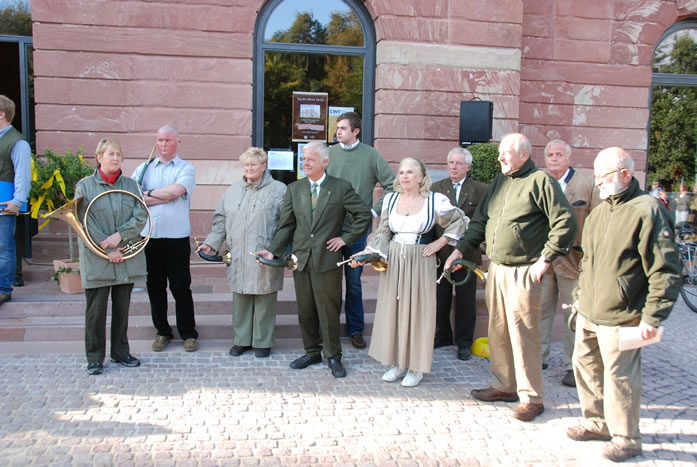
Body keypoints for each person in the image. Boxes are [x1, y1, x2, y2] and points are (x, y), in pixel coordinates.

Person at [444, 133, 577, 421]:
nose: (500, 157)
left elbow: (565, 222)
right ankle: (505, 386)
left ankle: (532, 398)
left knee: (523, 335)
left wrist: (545, 259)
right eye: (500, 152)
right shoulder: (500, 182)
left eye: (506, 152)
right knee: (498, 331)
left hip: (524, 270)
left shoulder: (541, 181)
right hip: (497, 268)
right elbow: (480, 221)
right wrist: (460, 250)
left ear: (524, 155)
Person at [567, 147, 680, 462]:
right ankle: (597, 423)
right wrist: (579, 298)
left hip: (622, 314)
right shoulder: (599, 212)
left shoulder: (648, 210)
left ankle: (627, 438)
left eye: (603, 177)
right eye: (596, 176)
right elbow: (587, 262)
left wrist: (652, 317)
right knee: (586, 368)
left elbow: (665, 270)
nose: (598, 183)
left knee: (621, 379)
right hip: (589, 311)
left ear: (626, 174)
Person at [256, 142, 371, 378]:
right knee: (305, 309)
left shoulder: (340, 187)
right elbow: (286, 225)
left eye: (310, 159)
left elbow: (363, 215)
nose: (305, 163)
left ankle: (333, 356)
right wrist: (272, 251)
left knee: (328, 310)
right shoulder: (295, 188)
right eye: (303, 159)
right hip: (300, 259)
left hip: (327, 259)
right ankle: (312, 352)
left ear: (324, 162)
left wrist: (345, 239)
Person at [353, 157, 467, 387]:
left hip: (421, 258)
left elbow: (461, 221)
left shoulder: (435, 200)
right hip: (395, 258)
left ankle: (416, 367)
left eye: (410, 172)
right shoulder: (391, 199)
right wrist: (368, 252)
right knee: (394, 310)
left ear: (421, 177)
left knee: (418, 311)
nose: (404, 176)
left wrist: (440, 242)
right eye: (401, 172)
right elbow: (383, 232)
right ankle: (398, 363)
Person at [199, 147, 286, 358]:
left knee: (264, 297)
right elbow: (220, 221)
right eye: (246, 164)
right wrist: (211, 243)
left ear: (264, 165)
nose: (249, 168)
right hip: (238, 253)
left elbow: (287, 225)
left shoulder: (279, 190)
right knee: (241, 298)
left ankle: (263, 342)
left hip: (264, 253)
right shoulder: (232, 190)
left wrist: (275, 250)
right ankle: (241, 340)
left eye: (253, 164)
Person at [75, 138, 147, 375]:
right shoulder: (85, 186)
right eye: (110, 154)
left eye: (118, 154)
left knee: (122, 309)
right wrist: (108, 248)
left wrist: (120, 237)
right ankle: (94, 357)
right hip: (98, 257)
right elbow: (84, 220)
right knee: (95, 312)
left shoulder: (131, 185)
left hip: (125, 255)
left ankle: (120, 352)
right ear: (99, 158)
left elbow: (140, 215)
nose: (115, 158)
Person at [326, 112, 395, 349]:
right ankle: (329, 328)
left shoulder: (370, 155)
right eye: (337, 128)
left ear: (356, 131)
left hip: (356, 230)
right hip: (330, 229)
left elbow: (392, 185)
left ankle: (355, 329)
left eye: (343, 128)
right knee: (330, 282)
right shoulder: (329, 154)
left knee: (354, 282)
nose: (338, 132)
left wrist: (374, 211)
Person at [132, 125, 199, 352]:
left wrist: (149, 193)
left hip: (176, 237)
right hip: (150, 237)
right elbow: (133, 197)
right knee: (155, 287)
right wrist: (163, 196)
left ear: (177, 142)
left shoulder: (186, 168)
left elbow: (174, 192)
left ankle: (188, 333)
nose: (163, 144)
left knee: (181, 287)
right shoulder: (143, 169)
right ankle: (162, 332)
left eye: (168, 140)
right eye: (160, 140)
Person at [540, 139, 600, 387]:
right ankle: (539, 357)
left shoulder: (587, 184)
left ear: (569, 158)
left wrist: (590, 256)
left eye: (558, 154)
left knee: (574, 315)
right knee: (540, 310)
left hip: (575, 260)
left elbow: (598, 223)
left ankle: (573, 365)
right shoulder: (540, 182)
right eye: (550, 154)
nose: (554, 158)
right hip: (544, 260)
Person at [431, 147, 487, 361]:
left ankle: (464, 342)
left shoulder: (480, 189)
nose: (453, 167)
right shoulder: (436, 189)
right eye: (451, 162)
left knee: (465, 301)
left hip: (466, 254)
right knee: (441, 298)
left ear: (468, 167)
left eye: (458, 163)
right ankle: (443, 335)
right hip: (441, 254)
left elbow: (483, 221)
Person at [0, 95, 31, 306]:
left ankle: (3, 289)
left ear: (2, 114)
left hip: (4, 203)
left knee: (4, 248)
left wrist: (17, 201)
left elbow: (22, 174)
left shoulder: (18, 142)